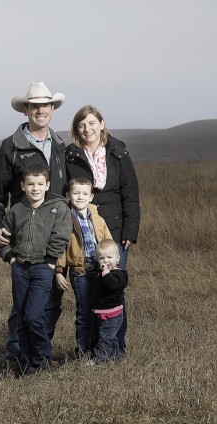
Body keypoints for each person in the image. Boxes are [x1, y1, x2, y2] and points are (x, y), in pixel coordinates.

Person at [0, 82, 68, 374]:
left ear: (52, 110)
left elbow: (69, 191)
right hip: (25, 239)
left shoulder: (59, 147)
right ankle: (16, 359)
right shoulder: (12, 146)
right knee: (22, 306)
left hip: (54, 236)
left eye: (46, 105)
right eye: (35, 106)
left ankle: (39, 356)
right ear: (26, 110)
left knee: (51, 301)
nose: (40, 110)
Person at [66, 105, 140, 354]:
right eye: (81, 125)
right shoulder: (72, 155)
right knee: (90, 290)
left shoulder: (118, 152)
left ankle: (116, 347)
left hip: (114, 234)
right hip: (84, 230)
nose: (87, 129)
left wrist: (130, 231)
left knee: (113, 288)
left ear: (101, 123)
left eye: (91, 123)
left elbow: (130, 193)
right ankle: (95, 348)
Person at [0, 164, 71, 375]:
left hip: (42, 269)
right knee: (21, 317)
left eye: (40, 184)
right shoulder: (16, 211)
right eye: (30, 184)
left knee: (34, 316)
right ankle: (26, 364)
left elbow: (61, 235)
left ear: (47, 185)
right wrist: (10, 258)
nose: (35, 188)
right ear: (23, 186)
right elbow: (3, 239)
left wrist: (49, 261)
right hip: (20, 268)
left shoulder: (57, 208)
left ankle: (42, 360)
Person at [55, 177, 113, 358]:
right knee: (85, 312)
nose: (80, 197)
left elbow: (108, 243)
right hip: (80, 272)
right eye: (76, 193)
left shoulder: (98, 219)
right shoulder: (65, 219)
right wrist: (58, 271)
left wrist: (112, 266)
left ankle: (99, 348)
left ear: (91, 197)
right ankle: (83, 351)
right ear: (68, 195)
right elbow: (61, 248)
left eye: (85, 194)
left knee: (99, 310)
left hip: (100, 271)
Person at [90, 239, 129, 363]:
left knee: (105, 337)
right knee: (110, 338)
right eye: (101, 258)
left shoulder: (120, 274)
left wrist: (105, 272)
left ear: (118, 258)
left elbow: (112, 285)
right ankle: (115, 356)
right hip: (102, 313)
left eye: (109, 257)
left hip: (112, 314)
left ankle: (101, 359)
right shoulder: (101, 274)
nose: (105, 261)